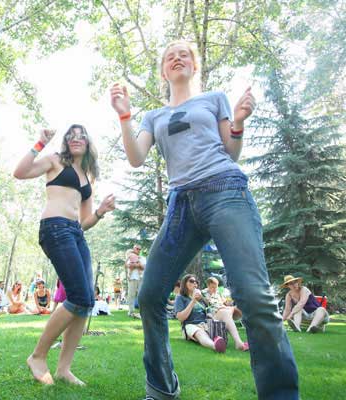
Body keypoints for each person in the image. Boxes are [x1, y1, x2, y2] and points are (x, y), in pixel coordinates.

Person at [110, 40, 299, 400]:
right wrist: (124, 115)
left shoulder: (214, 99)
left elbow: (232, 150)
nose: (177, 58)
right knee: (149, 296)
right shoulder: (154, 116)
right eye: (169, 56)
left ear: (194, 66)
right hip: (181, 204)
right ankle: (162, 391)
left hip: (224, 190)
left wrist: (239, 122)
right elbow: (136, 157)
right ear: (164, 71)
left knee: (253, 297)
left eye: (184, 54)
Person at [14, 124, 115, 386]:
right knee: (79, 296)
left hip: (75, 233)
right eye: (71, 136)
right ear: (66, 142)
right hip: (55, 228)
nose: (76, 139)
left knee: (86, 301)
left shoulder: (87, 177)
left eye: (82, 135)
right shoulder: (55, 161)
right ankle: (37, 356)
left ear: (88, 143)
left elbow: (84, 221)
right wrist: (39, 143)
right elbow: (20, 172)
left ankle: (64, 369)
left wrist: (101, 211)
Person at [174, 275, 226, 352]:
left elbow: (209, 310)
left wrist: (204, 300)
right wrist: (193, 301)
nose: (195, 283)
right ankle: (214, 346)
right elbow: (181, 318)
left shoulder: (200, 297)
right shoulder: (180, 298)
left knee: (225, 313)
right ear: (184, 283)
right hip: (191, 324)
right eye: (191, 281)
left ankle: (238, 342)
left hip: (205, 323)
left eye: (196, 282)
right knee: (200, 333)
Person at [202, 277, 248, 351]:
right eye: (212, 287)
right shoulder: (203, 293)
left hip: (225, 309)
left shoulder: (218, 292)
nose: (215, 289)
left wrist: (227, 302)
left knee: (242, 308)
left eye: (216, 287)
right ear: (208, 285)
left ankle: (256, 339)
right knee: (226, 312)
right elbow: (210, 305)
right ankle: (239, 343)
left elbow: (224, 302)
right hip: (215, 314)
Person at [125, 244, 145, 318]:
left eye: (140, 249)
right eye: (137, 248)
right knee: (131, 295)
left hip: (141, 278)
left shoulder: (142, 258)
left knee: (141, 295)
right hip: (132, 278)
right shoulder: (129, 256)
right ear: (134, 249)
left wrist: (136, 265)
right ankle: (131, 311)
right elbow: (128, 266)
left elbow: (143, 267)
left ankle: (142, 311)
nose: (138, 250)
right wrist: (138, 265)